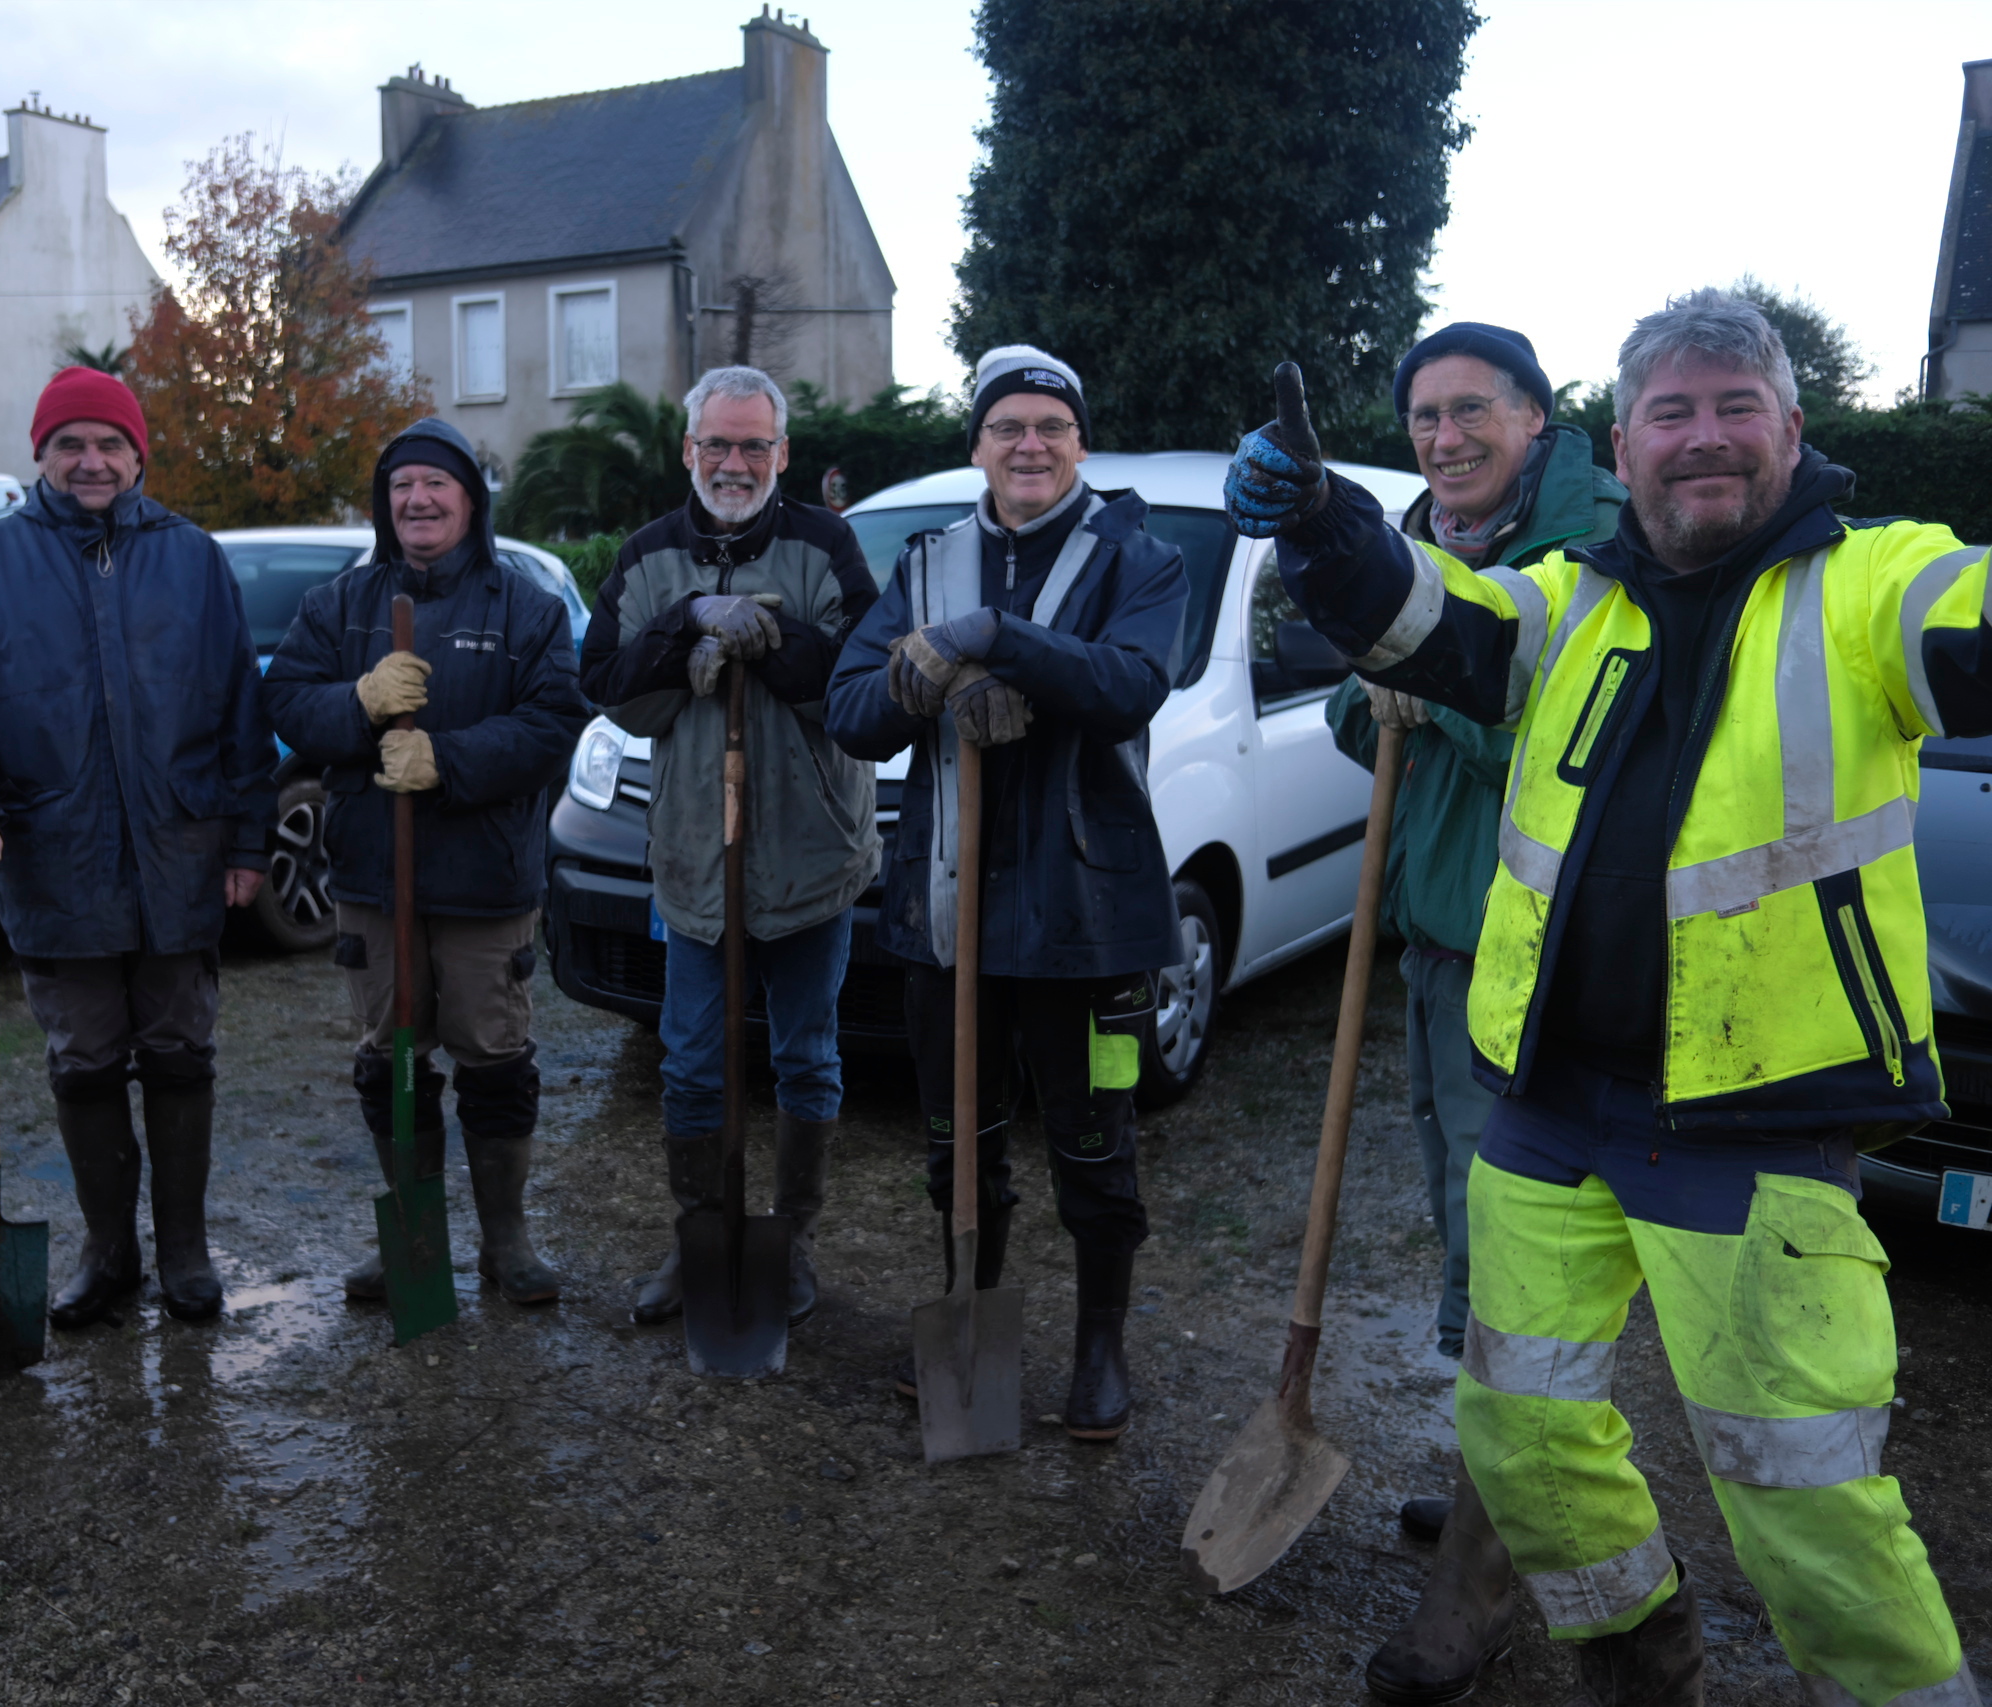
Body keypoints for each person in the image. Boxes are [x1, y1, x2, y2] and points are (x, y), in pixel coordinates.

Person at [1227, 288, 1987, 1707]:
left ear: (1793, 428)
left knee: (1805, 1501)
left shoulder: (1879, 578)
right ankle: (1642, 1656)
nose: (1705, 439)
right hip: (1551, 1105)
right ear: (1623, 442)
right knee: (1519, 1435)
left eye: (1735, 405)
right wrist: (1323, 517)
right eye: (1673, 413)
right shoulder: (1575, 593)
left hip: (1761, 1122)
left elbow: (1976, 619)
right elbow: (1426, 620)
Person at [1323, 324, 1624, 1706]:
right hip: (1444, 935)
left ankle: (1483, 1588)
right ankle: (1493, 1474)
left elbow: (1551, 724)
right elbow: (1347, 702)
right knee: (1462, 1224)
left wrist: (1430, 695)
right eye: (1423, 416)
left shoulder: (1596, 544)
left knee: (1512, 1264)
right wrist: (1382, 678)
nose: (1442, 437)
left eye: (1469, 411)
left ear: (1535, 415)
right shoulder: (1418, 529)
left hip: (1551, 960)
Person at [826, 345, 1187, 1442]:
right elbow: (849, 711)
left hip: (1091, 921)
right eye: (1006, 428)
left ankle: (1099, 1350)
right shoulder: (928, 560)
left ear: (1082, 442)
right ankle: (970, 1321)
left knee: (1094, 1140)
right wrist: (917, 677)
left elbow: (1129, 687)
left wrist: (999, 642)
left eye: (1051, 427)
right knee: (957, 1142)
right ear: (975, 445)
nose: (1029, 445)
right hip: (948, 918)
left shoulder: (1142, 556)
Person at [0, 366, 270, 1327]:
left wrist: (248, 839)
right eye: (70, 443)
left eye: (109, 443)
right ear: (41, 455)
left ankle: (185, 1252)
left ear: (138, 454)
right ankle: (109, 1253)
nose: (91, 460)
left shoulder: (193, 558)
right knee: (84, 1057)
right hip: (53, 852)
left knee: (180, 1049)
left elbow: (242, 708)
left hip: (179, 853)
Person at [579, 365, 880, 1327]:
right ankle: (699, 1230)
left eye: (756, 445)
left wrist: (771, 641)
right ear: (689, 451)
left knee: (806, 1057)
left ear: (783, 454)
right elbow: (612, 687)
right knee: (691, 1063)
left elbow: (863, 688)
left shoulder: (826, 548)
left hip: (810, 855)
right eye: (720, 444)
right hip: (695, 861)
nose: (736, 462)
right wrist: (684, 624)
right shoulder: (647, 557)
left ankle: (789, 1239)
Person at [263, 418, 586, 1307]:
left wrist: (450, 759)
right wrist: (358, 702)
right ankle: (410, 1234)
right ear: (384, 503)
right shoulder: (341, 605)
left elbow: (556, 719)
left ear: (471, 499)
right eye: (401, 485)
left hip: (484, 882)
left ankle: (505, 1241)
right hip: (374, 880)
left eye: (436, 484)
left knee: (494, 1057)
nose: (418, 500)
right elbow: (287, 699)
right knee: (391, 1057)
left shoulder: (527, 608)